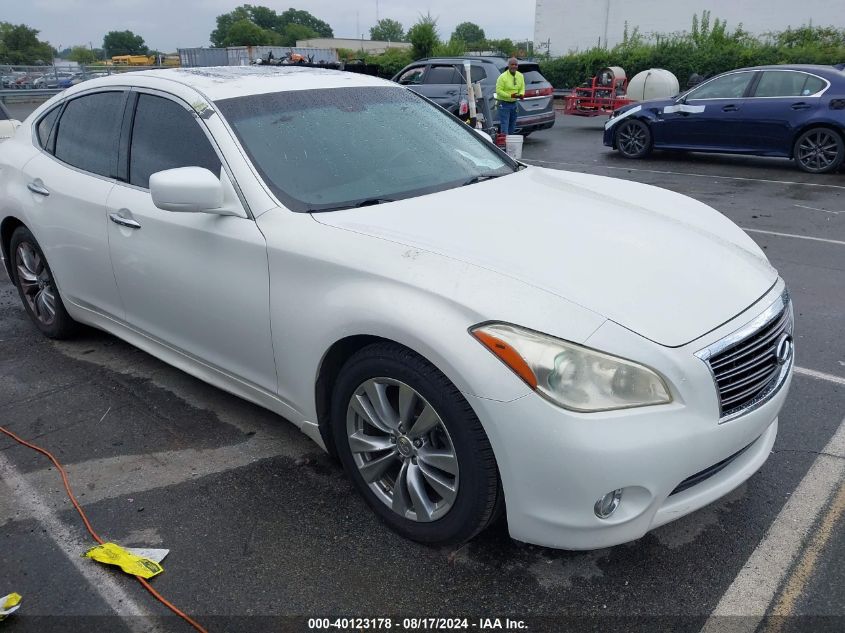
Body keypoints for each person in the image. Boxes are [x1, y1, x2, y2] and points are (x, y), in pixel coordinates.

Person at [496, 57, 525, 136]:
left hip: (514, 104)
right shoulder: (502, 77)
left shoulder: (520, 76)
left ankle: (511, 142)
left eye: (516, 64)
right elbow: (498, 91)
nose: (514, 66)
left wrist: (521, 94)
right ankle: (504, 144)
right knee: (505, 124)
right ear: (508, 65)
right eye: (512, 64)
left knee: (512, 124)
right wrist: (510, 96)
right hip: (504, 104)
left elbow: (522, 88)